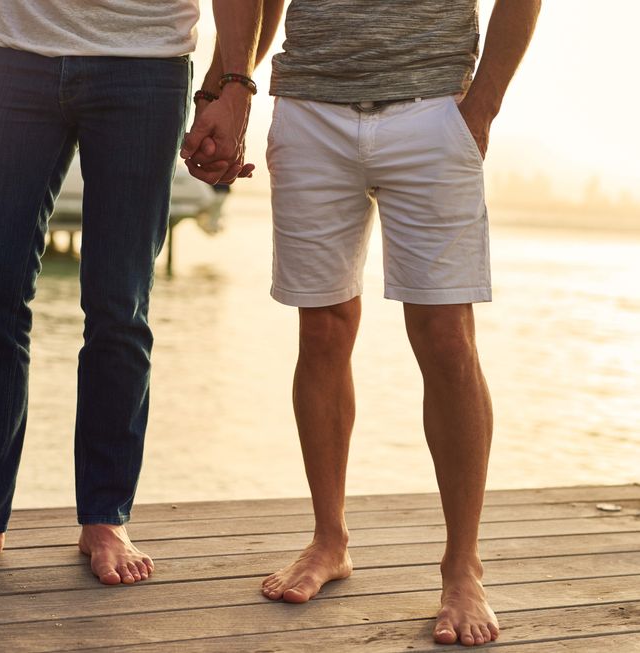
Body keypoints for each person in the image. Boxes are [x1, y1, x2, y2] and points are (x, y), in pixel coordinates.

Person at [184, 0, 540, 646]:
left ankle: (463, 565)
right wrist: (222, 89)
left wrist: (482, 106)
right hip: (310, 106)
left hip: (433, 106)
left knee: (447, 341)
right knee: (320, 332)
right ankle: (329, 538)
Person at [0, 1, 262, 585]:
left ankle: (105, 518)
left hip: (145, 61)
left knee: (118, 306)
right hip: (18, 54)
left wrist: (233, 84)